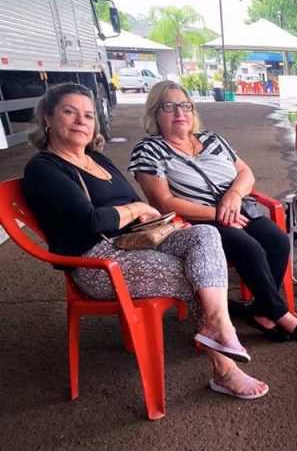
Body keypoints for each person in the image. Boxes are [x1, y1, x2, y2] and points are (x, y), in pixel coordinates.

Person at [22, 83, 268, 400]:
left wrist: (145, 215)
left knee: (206, 234)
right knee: (195, 273)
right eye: (70, 112)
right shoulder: (44, 168)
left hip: (137, 240)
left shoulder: (97, 159)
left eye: (88, 115)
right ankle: (225, 368)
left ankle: (218, 325)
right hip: (97, 261)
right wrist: (136, 209)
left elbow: (127, 202)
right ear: (48, 117)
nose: (81, 121)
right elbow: (92, 221)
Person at [129, 81, 297, 342]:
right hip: (197, 222)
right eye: (169, 106)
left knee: (278, 242)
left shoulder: (212, 139)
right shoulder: (148, 150)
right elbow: (163, 202)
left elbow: (245, 172)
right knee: (249, 248)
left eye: (185, 106)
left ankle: (261, 311)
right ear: (155, 113)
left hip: (239, 208)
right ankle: (280, 313)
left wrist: (233, 195)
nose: (179, 113)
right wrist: (217, 213)